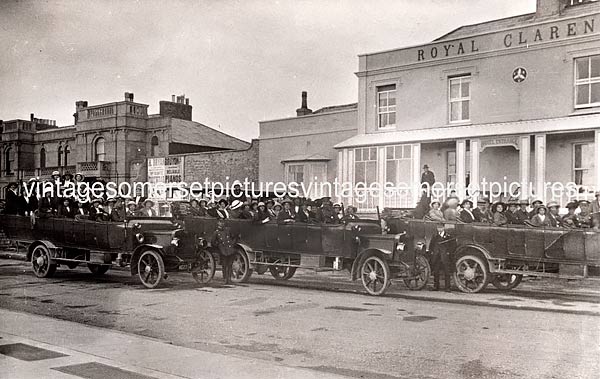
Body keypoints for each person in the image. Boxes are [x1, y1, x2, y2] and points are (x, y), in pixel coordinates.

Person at [429, 223, 455, 292]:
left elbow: (452, 245)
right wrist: (432, 252)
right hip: (436, 256)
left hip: (445, 256)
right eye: (438, 228)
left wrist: (448, 252)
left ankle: (447, 287)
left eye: (440, 227)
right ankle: (436, 286)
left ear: (443, 228)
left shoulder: (448, 236)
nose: (439, 229)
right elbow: (431, 245)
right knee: (436, 271)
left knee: (447, 272)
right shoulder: (435, 236)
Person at [211, 219, 236, 285]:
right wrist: (219, 245)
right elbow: (213, 242)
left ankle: (229, 279)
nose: (222, 224)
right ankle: (225, 279)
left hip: (230, 249)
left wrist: (232, 243)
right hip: (223, 250)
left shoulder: (228, 230)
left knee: (230, 265)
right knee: (224, 265)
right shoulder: (216, 232)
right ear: (218, 223)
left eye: (222, 222)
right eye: (220, 222)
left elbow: (233, 237)